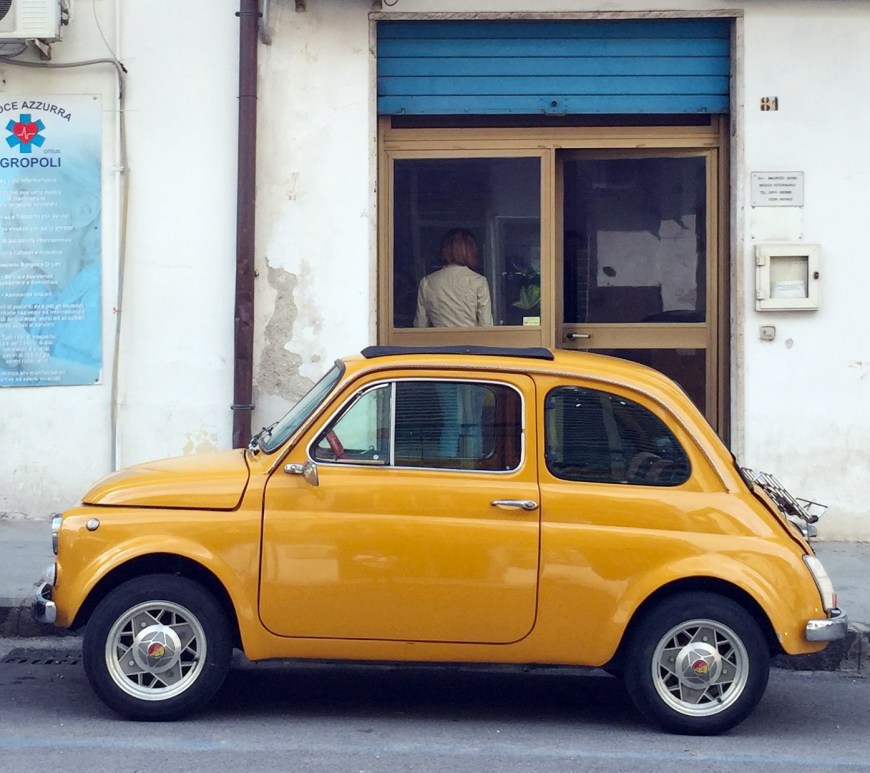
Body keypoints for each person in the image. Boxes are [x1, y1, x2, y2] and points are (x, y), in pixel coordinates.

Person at [413, 228, 493, 328]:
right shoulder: (478, 281)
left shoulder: (427, 282)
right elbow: (486, 325)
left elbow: (420, 326)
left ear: (444, 251)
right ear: (471, 251)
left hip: (439, 342)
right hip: (470, 341)